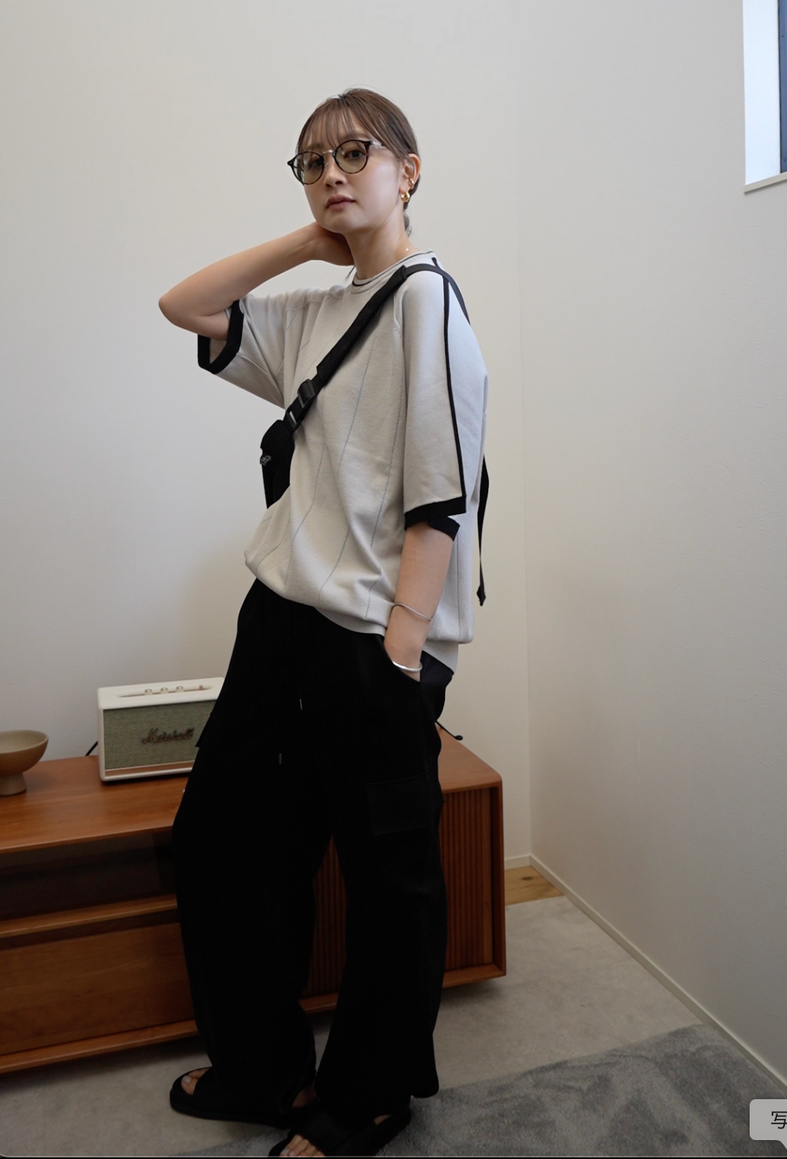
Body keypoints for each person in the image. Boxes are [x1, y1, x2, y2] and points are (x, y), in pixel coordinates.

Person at [158, 87, 488, 1158]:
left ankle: (370, 1094)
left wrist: (400, 649)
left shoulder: (426, 301)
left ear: (410, 169)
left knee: (387, 875)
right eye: (313, 162)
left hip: (371, 636)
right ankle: (263, 1070)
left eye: (357, 154)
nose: (334, 173)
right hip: (281, 623)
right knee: (224, 843)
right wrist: (311, 239)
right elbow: (184, 305)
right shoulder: (318, 307)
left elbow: (439, 497)